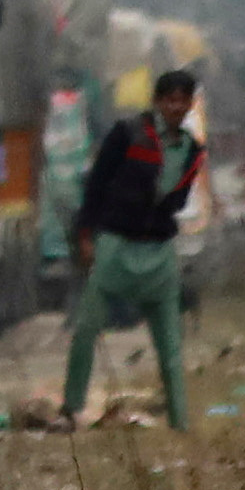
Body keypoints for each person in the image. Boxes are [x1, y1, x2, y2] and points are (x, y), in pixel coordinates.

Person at [56, 68, 203, 429]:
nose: (176, 107)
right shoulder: (127, 134)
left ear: (190, 104)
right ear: (157, 102)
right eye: (170, 99)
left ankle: (180, 422)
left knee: (170, 345)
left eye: (183, 100)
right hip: (115, 245)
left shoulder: (192, 151)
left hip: (158, 251)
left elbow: (178, 200)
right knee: (88, 327)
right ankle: (71, 406)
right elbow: (97, 184)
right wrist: (86, 234)